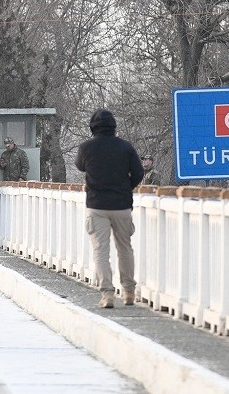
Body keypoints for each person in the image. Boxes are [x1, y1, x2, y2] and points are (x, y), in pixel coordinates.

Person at [75, 109, 144, 309]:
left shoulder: (86, 148)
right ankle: (129, 291)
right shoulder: (125, 147)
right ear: (114, 127)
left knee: (100, 250)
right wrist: (125, 188)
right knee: (125, 248)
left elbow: (80, 166)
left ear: (92, 128)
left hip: (97, 206)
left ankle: (107, 294)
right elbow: (138, 173)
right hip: (122, 206)